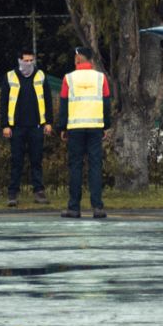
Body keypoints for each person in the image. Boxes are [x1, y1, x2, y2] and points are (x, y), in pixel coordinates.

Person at [58, 45, 112, 219]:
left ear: (78, 58)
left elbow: (64, 104)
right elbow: (106, 103)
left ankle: (74, 208)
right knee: (95, 166)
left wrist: (62, 127)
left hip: (75, 128)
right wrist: (105, 126)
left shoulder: (69, 78)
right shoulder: (100, 78)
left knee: (75, 167)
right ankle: (98, 208)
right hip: (95, 127)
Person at [1, 49, 52, 207]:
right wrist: (5, 125)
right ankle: (13, 193)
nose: (29, 63)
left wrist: (48, 122)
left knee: (36, 160)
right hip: (16, 127)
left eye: (31, 61)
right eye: (26, 60)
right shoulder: (10, 76)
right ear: (19, 61)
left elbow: (48, 100)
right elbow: (3, 103)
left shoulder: (40, 75)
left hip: (36, 126)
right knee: (17, 161)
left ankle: (39, 192)